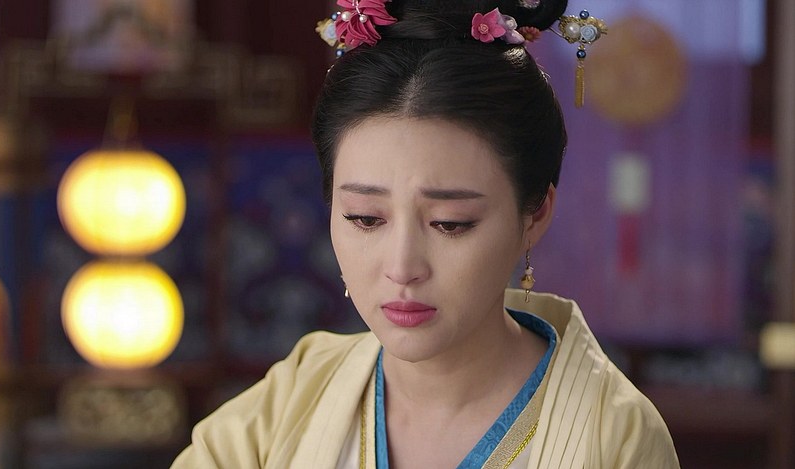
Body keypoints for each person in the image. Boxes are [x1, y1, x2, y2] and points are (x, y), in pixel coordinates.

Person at [172, 0, 680, 467]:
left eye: (450, 223)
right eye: (365, 218)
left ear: (535, 213)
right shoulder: (288, 404)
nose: (402, 267)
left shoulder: (612, 438)